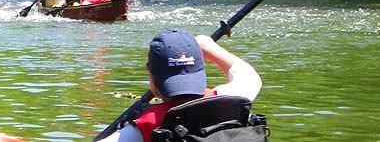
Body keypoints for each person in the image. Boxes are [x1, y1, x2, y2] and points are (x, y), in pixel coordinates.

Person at [98, 29, 262, 142]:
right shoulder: (234, 98)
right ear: (201, 69)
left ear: (152, 79)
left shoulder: (142, 129)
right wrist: (208, 46)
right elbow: (249, 75)